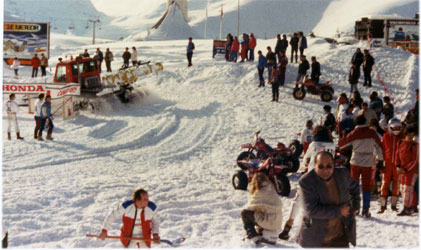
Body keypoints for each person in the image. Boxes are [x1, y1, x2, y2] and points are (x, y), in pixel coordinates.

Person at [297, 151, 360, 248]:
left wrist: (355, 206)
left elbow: (355, 187)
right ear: (315, 165)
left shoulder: (342, 174)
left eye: (329, 166)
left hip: (339, 236)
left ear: (334, 165)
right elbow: (311, 210)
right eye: (321, 166)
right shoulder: (307, 182)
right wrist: (339, 211)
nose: (325, 170)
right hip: (317, 239)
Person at [338, 115, 384, 218]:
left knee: (354, 185)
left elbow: (341, 144)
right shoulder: (372, 133)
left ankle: (354, 208)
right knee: (366, 185)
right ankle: (366, 208)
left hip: (356, 161)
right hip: (368, 162)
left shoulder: (354, 133)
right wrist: (380, 159)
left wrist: (342, 136)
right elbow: (379, 146)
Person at [241, 173, 283, 245]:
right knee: (261, 213)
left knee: (245, 213)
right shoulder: (271, 190)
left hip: (270, 222)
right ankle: (261, 232)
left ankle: (252, 236)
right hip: (277, 222)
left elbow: (249, 208)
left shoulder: (260, 192)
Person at [378, 118, 404, 213]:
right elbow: (381, 149)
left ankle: (393, 205)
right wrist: (380, 161)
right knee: (385, 183)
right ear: (390, 127)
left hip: (397, 164)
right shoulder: (385, 136)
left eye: (398, 127)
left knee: (396, 184)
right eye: (394, 127)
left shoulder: (402, 136)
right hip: (387, 163)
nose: (396, 130)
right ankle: (383, 205)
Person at [395, 127, 419, 216]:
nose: (411, 136)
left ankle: (407, 208)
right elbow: (397, 154)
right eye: (409, 134)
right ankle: (410, 206)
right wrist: (398, 166)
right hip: (402, 170)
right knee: (402, 188)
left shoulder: (414, 145)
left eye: (412, 135)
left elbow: (415, 160)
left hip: (411, 171)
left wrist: (406, 169)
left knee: (408, 189)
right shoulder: (400, 142)